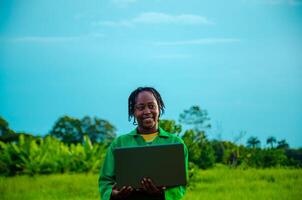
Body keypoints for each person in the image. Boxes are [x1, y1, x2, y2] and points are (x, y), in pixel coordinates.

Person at [98, 87, 188, 200]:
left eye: (152, 106)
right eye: (141, 107)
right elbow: (105, 181)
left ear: (159, 108)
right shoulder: (119, 143)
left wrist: (161, 194)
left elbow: (181, 184)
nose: (147, 111)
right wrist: (113, 194)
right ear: (133, 112)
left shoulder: (175, 143)